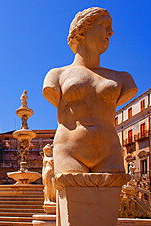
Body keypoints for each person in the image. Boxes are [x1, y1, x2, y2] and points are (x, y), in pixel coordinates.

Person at [43, 7, 137, 175]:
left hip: (109, 151)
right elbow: (50, 91)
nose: (111, 32)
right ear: (81, 31)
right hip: (69, 151)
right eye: (103, 24)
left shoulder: (123, 79)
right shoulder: (56, 76)